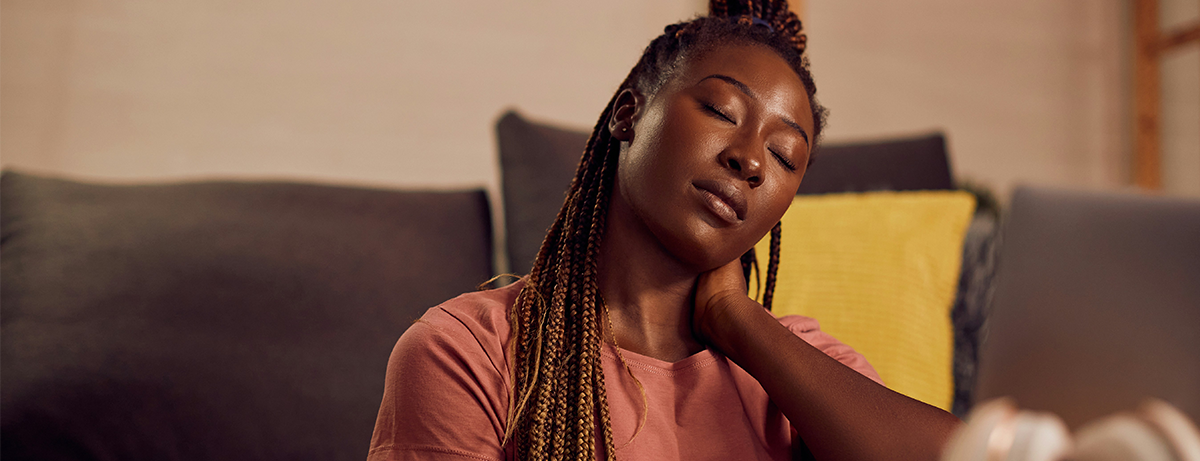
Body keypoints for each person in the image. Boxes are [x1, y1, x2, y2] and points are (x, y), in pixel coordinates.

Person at [368, 0, 963, 459]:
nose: (751, 161)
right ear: (629, 113)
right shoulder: (469, 354)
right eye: (720, 111)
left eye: (785, 156)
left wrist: (739, 321)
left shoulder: (798, 369)